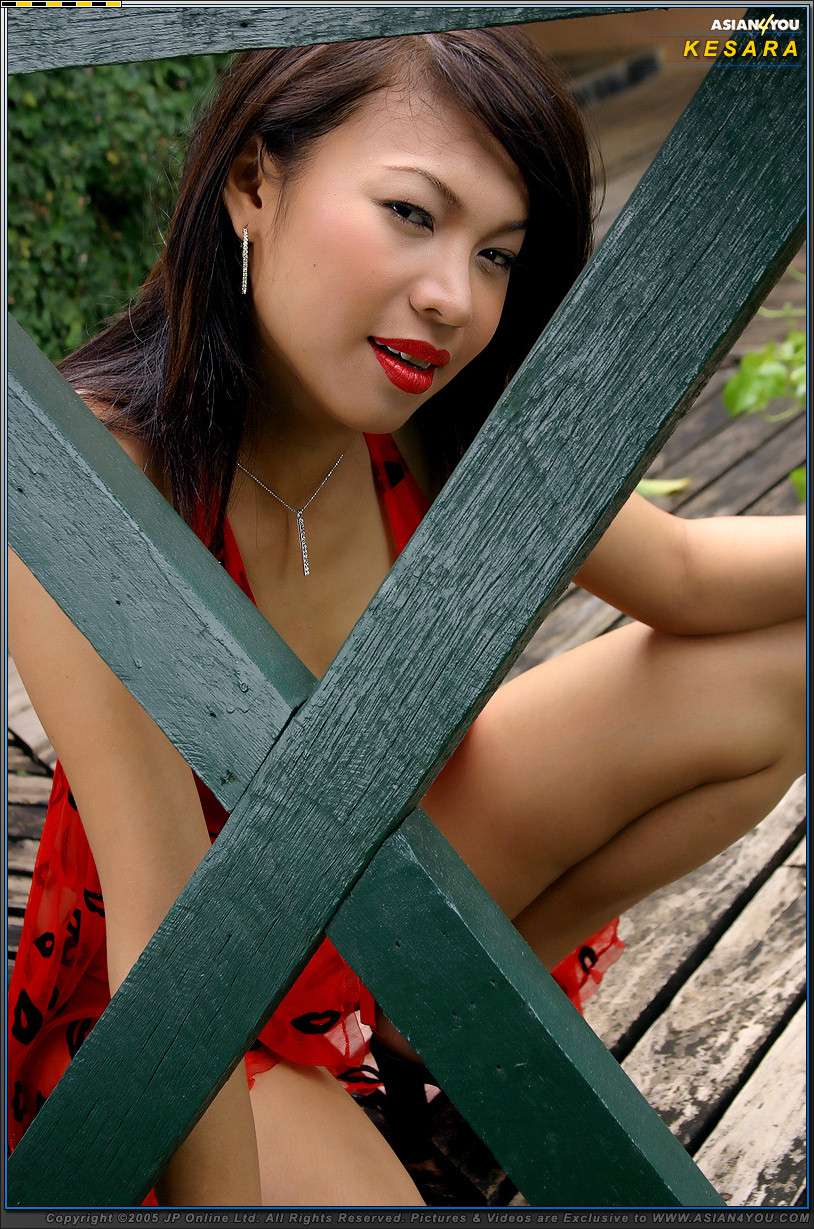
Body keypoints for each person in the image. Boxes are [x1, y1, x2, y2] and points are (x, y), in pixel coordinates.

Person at [8, 28, 804, 1208]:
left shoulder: (432, 418)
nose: (453, 297)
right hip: (186, 994)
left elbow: (686, 573)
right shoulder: (93, 477)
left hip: (376, 871)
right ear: (253, 182)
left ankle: (442, 1038)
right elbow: (168, 934)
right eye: (411, 214)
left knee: (777, 671)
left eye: (496, 255)